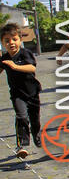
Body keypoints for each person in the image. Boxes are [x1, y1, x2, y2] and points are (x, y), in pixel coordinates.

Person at [0, 23, 42, 159]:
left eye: (14, 39)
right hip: (17, 95)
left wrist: (15, 66)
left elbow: (32, 68)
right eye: (7, 41)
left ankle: (36, 135)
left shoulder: (25, 54)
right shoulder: (4, 59)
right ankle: (22, 145)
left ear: (20, 40)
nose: (11, 43)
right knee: (21, 117)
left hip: (32, 93)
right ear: (2, 43)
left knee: (34, 120)